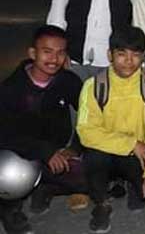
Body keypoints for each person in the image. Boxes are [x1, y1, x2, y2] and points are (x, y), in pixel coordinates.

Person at [77, 27, 145, 233]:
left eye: (136, 55)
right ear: (110, 55)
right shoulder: (94, 86)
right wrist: (131, 144)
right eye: (121, 54)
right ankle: (101, 203)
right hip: (107, 153)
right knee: (94, 156)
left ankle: (133, 184)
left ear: (144, 56)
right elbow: (86, 131)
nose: (128, 61)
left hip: (139, 156)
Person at [0, 26, 86, 234]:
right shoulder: (11, 88)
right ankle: (9, 209)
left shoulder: (68, 81)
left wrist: (75, 148)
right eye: (47, 51)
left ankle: (45, 187)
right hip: (20, 153)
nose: (54, 59)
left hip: (57, 152)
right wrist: (43, 151)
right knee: (7, 176)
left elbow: (90, 117)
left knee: (94, 177)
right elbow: (4, 135)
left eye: (60, 52)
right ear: (32, 53)